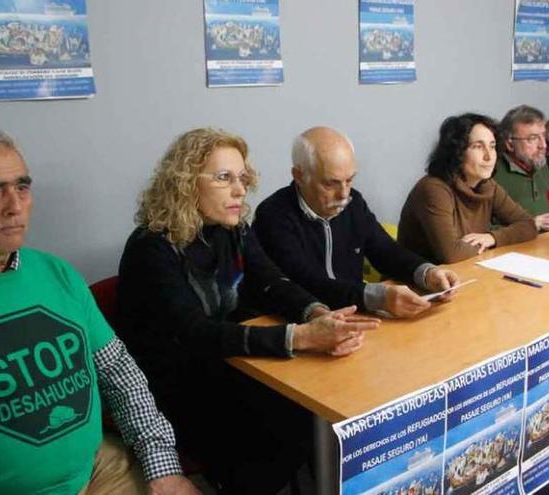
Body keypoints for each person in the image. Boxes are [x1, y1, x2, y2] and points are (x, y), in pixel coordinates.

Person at [0, 127, 199, 494]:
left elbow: (119, 374)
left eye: (22, 187)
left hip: (97, 466)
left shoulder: (56, 273)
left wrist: (162, 466)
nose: (15, 206)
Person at [115, 127, 380, 493]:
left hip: (223, 364)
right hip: (174, 389)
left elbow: (272, 282)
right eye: (224, 178)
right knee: (287, 419)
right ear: (185, 182)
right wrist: (299, 338)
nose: (240, 190)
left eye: (241, 178)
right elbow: (196, 332)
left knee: (311, 404)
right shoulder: (151, 247)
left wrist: (316, 313)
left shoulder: (232, 228)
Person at [252, 126, 460, 318]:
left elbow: (385, 250)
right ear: (299, 175)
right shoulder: (273, 215)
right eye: (330, 183)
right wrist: (376, 297)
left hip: (354, 313)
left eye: (349, 180)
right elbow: (305, 281)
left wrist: (427, 272)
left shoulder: (353, 203)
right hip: (299, 319)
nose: (343, 194)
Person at [397, 113, 537, 264]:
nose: (489, 156)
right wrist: (492, 244)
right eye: (478, 146)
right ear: (457, 152)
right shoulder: (434, 189)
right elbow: (451, 254)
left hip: (467, 272)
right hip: (418, 282)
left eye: (492, 146)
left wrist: (492, 238)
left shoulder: (487, 186)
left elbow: (528, 225)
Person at [494, 105, 549, 231]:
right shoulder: (492, 173)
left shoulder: (540, 163)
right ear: (510, 143)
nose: (543, 145)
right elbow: (483, 230)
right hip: (514, 247)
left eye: (544, 136)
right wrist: (531, 225)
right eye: (533, 138)